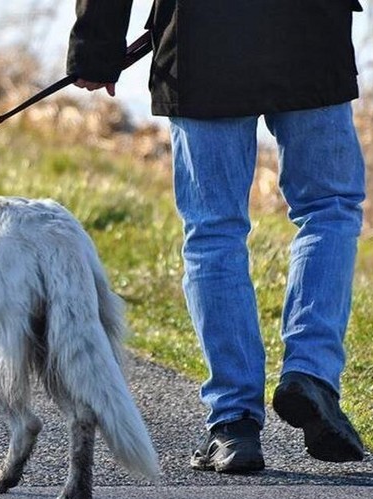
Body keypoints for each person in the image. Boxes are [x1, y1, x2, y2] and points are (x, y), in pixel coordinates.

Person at [68, 0, 367, 472]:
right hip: (309, 33)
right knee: (328, 208)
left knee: (214, 231)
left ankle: (233, 424)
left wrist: (95, 44)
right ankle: (311, 373)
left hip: (201, 43)